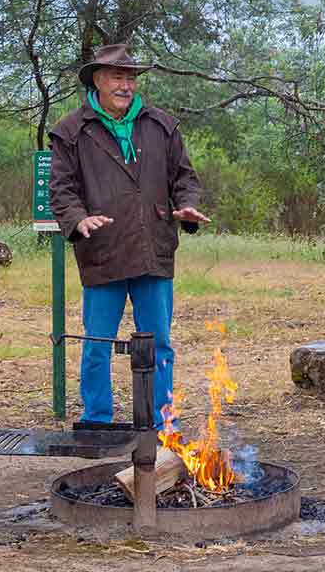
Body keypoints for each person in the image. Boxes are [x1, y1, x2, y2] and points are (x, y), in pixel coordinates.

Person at [48, 44, 209, 429]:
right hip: (102, 250)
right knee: (98, 343)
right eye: (118, 77)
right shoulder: (71, 131)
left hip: (154, 249)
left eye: (131, 78)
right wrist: (77, 218)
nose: (126, 85)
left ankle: (161, 424)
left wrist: (186, 205)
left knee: (158, 344)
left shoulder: (161, 125)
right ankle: (97, 421)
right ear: (98, 81)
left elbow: (184, 178)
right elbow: (62, 189)